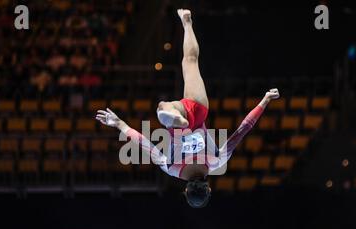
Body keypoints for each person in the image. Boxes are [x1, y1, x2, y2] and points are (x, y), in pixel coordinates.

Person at [95, 9, 280, 208]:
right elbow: (144, 143)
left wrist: (265, 101)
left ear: (209, 188)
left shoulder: (217, 161)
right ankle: (171, 117)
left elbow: (243, 130)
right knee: (162, 108)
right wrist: (119, 124)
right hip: (177, 121)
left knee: (191, 61)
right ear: (185, 190)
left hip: (198, 111)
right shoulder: (171, 168)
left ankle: (187, 23)